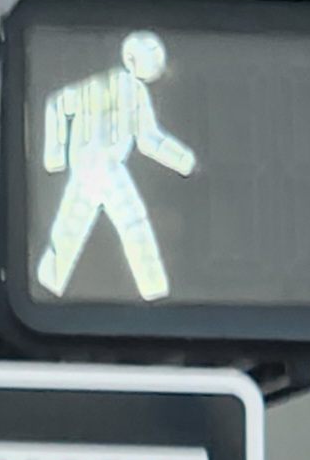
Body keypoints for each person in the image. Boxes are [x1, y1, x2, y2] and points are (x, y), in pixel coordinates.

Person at [37, 31, 197, 301]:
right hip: (102, 170)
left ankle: (154, 293)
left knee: (71, 232)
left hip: (98, 169)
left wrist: (56, 157)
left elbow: (148, 140)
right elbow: (149, 140)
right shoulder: (115, 89)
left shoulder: (109, 87)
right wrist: (54, 157)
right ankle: (154, 292)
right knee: (131, 227)